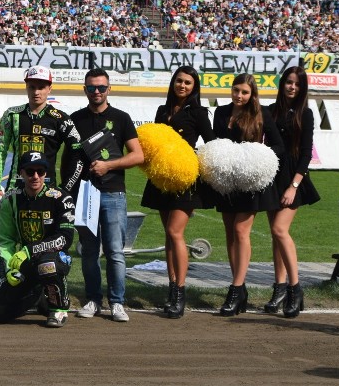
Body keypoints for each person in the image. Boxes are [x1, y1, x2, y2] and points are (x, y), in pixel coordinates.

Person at [62, 68, 143, 323]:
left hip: (113, 192)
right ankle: (93, 300)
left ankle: (117, 302)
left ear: (109, 89)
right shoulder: (74, 119)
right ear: (84, 89)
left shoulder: (121, 118)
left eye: (101, 87)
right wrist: (68, 191)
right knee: (88, 251)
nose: (96, 92)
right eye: (91, 88)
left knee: (115, 251)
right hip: (84, 194)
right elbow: (68, 159)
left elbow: (138, 155)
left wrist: (109, 165)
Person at [0, 65, 83, 279]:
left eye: (41, 87)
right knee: (7, 241)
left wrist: (66, 188)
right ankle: (4, 283)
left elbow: (78, 152)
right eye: (32, 87)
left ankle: (46, 291)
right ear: (26, 88)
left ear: (49, 88)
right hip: (14, 191)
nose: (36, 92)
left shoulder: (61, 118)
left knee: (45, 242)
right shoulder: (12, 116)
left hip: (48, 193)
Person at [140, 66, 216, 318]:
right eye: (179, 81)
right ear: (173, 83)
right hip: (163, 179)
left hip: (186, 179)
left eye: (188, 83)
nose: (182, 86)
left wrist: (192, 160)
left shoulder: (199, 112)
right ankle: (172, 287)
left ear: (194, 87)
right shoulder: (162, 110)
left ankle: (180, 291)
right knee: (169, 235)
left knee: (175, 232)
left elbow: (211, 142)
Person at [211, 73, 285, 316]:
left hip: (249, 182)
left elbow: (278, 146)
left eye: (244, 92)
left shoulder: (261, 113)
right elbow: (216, 143)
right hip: (227, 182)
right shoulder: (220, 112)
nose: (239, 96)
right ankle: (239, 288)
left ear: (252, 94)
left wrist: (255, 156)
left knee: (242, 232)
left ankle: (235, 288)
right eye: (236, 90)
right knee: (230, 234)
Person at [0, 152, 76, 328]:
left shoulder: (61, 198)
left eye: (40, 172)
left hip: (52, 258)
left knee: (47, 265)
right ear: (21, 173)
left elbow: (65, 238)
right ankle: (38, 295)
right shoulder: (11, 199)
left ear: (45, 174)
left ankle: (59, 308)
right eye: (30, 171)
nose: (35, 176)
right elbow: (6, 239)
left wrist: (29, 250)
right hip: (24, 261)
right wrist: (10, 266)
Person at [266, 66, 320, 318]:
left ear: (302, 88)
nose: (292, 87)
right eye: (288, 82)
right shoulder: (269, 110)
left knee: (280, 230)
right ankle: (279, 287)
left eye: (297, 84)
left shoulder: (306, 114)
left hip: (293, 179)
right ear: (282, 83)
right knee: (275, 235)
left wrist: (294, 185)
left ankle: (294, 288)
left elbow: (306, 153)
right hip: (271, 177)